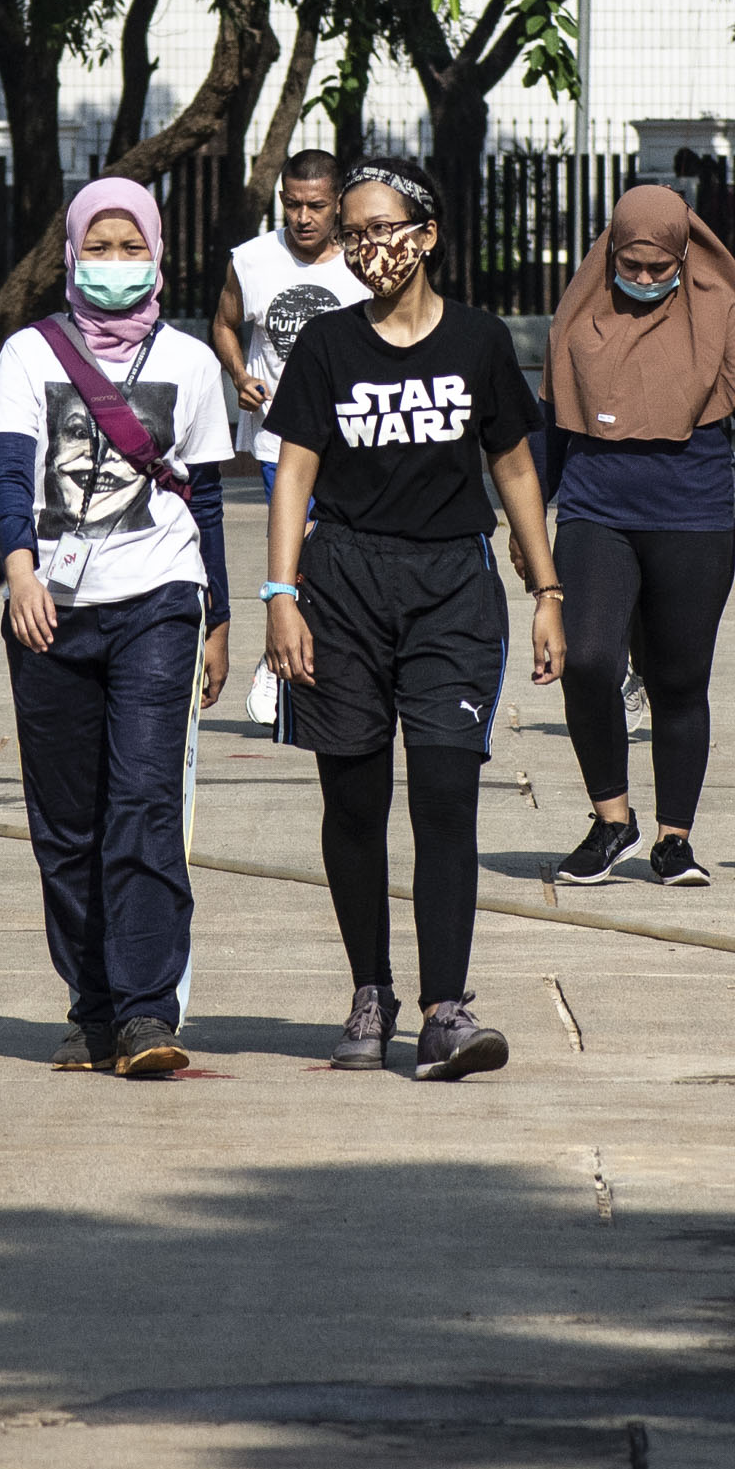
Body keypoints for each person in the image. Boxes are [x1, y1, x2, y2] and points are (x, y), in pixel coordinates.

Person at [257, 159, 564, 1081]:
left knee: (444, 797)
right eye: (352, 232)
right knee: (353, 801)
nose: (368, 246)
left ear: (426, 235)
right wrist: (280, 595)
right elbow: (295, 473)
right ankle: (370, 990)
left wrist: (546, 589)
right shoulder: (325, 347)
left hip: (450, 591)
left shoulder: (477, 341)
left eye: (383, 227)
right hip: (342, 584)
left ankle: (445, 1010)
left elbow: (512, 466)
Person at [0, 176, 234, 1076]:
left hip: (159, 599)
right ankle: (90, 1005)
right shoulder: (27, 355)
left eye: (133, 248)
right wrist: (18, 572)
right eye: (101, 246)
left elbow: (203, 500)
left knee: (144, 803)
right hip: (48, 606)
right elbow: (11, 473)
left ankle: (145, 1012)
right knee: (65, 820)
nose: (116, 264)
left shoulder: (195, 363)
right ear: (73, 253)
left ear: (159, 255)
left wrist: (220, 618)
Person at [535, 186, 735, 888]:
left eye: (658, 267)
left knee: (679, 678)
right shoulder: (583, 307)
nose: (643, 279)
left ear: (682, 252)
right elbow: (552, 415)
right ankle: (611, 818)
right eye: (631, 265)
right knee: (585, 659)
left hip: (693, 511)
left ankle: (675, 837)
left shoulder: (721, 306)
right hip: (595, 508)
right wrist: (527, 515)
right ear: (612, 249)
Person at [211, 147, 366, 728]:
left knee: (338, 552)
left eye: (317, 206)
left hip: (354, 439)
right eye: (294, 205)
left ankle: (326, 658)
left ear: (338, 204)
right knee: (298, 547)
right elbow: (225, 324)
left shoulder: (361, 262)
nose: (304, 217)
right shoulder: (251, 261)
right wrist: (239, 375)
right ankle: (277, 658)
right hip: (281, 441)